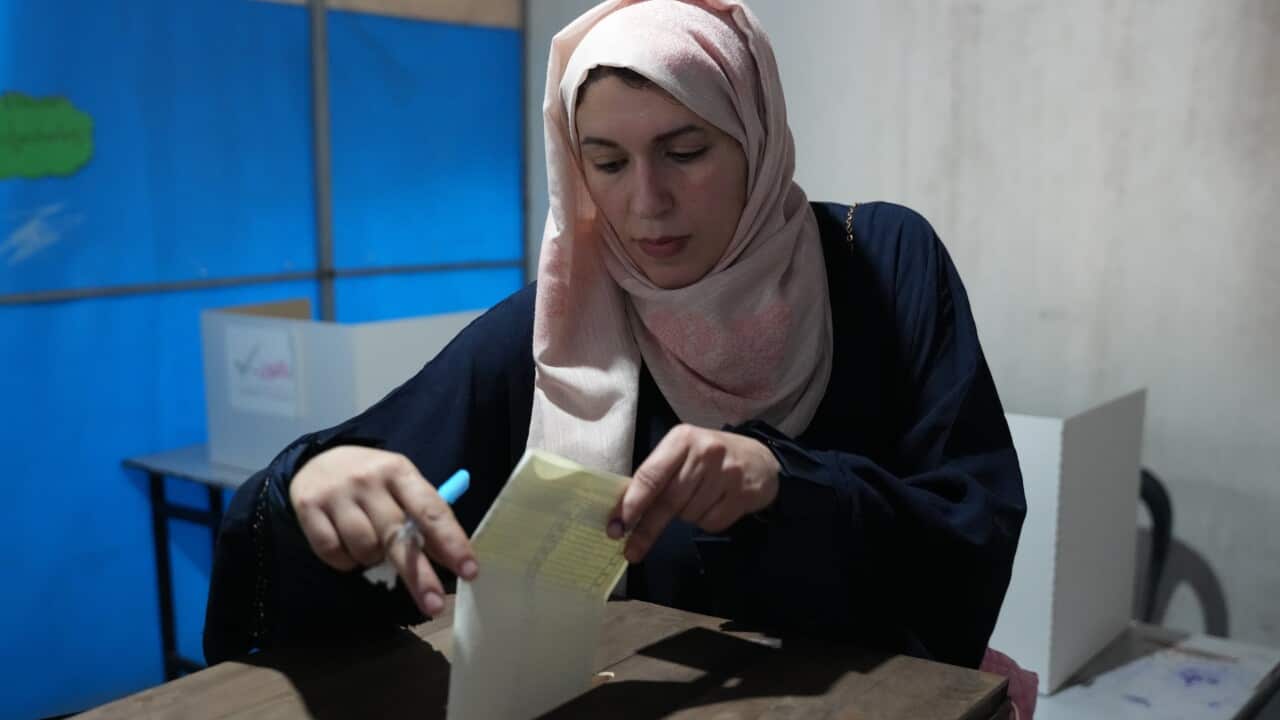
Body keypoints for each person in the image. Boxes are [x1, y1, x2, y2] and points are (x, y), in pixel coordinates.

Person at [204, 0, 1027, 684]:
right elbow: (340, 532)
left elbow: (972, 531)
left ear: (758, 135)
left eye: (686, 151)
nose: (646, 203)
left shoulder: (880, 263)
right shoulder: (562, 331)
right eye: (606, 162)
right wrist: (313, 486)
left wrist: (785, 483)